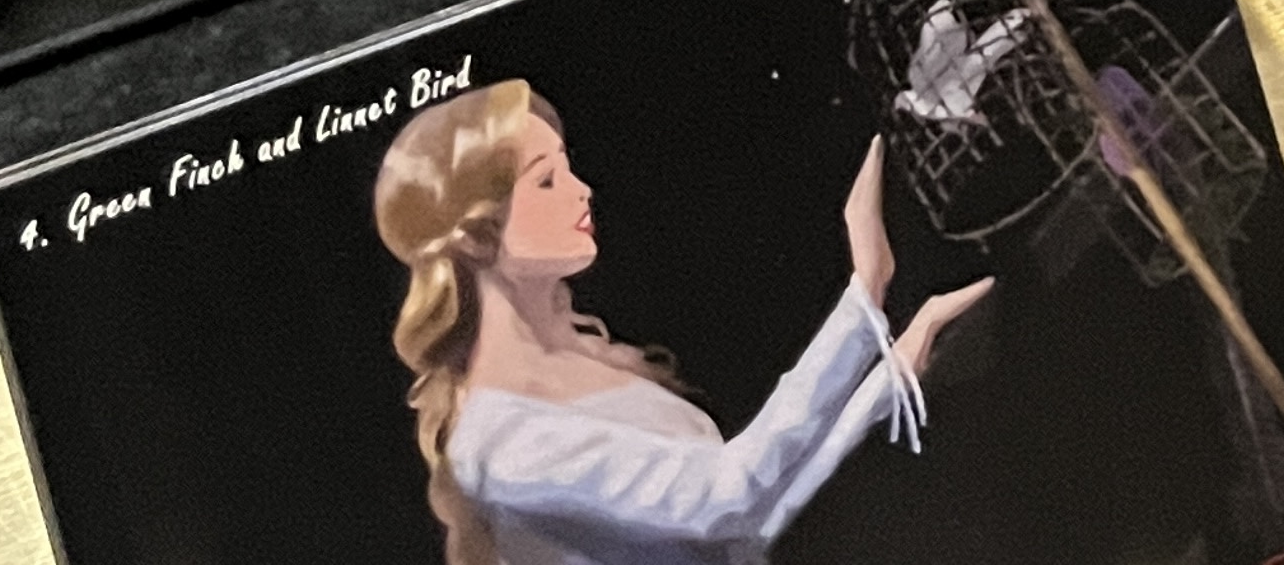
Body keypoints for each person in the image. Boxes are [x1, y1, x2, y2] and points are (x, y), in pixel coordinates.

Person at [372, 83, 988, 565]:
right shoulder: (502, 444)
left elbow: (746, 533)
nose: (582, 190)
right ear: (477, 236)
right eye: (548, 179)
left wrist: (887, 375)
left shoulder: (583, 363)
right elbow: (727, 497)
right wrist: (866, 293)